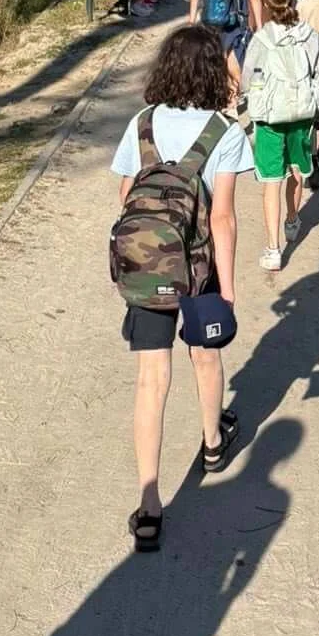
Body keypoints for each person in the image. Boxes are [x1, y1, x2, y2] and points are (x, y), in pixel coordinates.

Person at [110, 27, 251, 552]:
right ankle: (212, 443)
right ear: (215, 72)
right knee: (206, 358)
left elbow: (126, 196)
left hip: (147, 269)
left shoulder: (142, 123)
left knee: (151, 381)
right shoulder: (224, 132)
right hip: (198, 268)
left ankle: (149, 505)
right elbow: (223, 218)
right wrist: (228, 290)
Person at [238, 0, 319, 272]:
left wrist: (255, 93)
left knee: (271, 180)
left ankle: (273, 248)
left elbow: (248, 80)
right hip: (302, 116)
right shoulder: (310, 36)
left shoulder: (261, 40)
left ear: (266, 5)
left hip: (270, 117)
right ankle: (292, 218)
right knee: (296, 170)